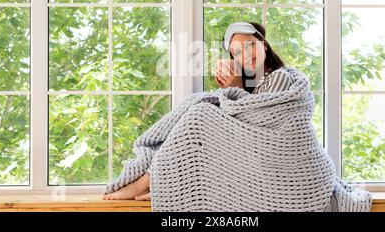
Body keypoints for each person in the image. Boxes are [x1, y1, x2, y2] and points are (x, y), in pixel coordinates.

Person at [102, 21, 294, 201]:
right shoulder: (252, 84)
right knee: (199, 114)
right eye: (236, 53)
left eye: (250, 45)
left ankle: (148, 182)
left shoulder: (279, 77)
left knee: (200, 116)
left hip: (267, 160)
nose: (244, 55)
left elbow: (256, 126)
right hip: (244, 158)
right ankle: (162, 183)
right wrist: (229, 90)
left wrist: (235, 88)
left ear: (264, 45)